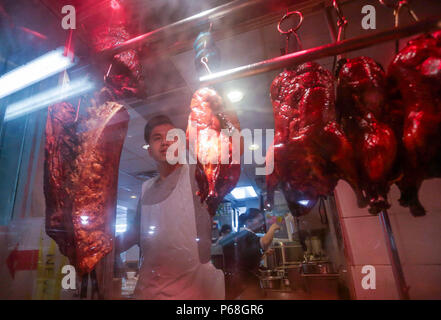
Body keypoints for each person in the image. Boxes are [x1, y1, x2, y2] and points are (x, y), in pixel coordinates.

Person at [115, 115, 225, 300]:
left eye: (171, 137)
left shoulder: (197, 175)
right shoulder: (146, 188)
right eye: (157, 138)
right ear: (149, 150)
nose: (165, 142)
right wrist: (103, 249)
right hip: (149, 291)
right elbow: (135, 232)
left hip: (192, 293)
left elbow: (223, 155)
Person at [220, 208, 280, 299]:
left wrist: (264, 254)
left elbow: (247, 257)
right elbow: (264, 242)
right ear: (249, 222)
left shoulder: (245, 234)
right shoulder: (246, 233)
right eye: (259, 220)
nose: (262, 223)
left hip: (242, 280)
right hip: (244, 281)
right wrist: (272, 228)